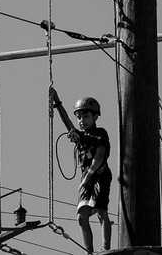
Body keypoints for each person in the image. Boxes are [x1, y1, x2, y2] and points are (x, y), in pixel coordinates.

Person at [49, 87, 112, 254]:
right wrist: (57, 102)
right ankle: (89, 251)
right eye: (80, 117)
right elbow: (67, 122)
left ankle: (105, 248)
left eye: (86, 116)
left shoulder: (100, 134)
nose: (82, 120)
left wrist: (89, 175)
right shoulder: (80, 137)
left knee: (101, 211)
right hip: (86, 178)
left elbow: (99, 156)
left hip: (99, 175)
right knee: (81, 217)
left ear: (95, 117)